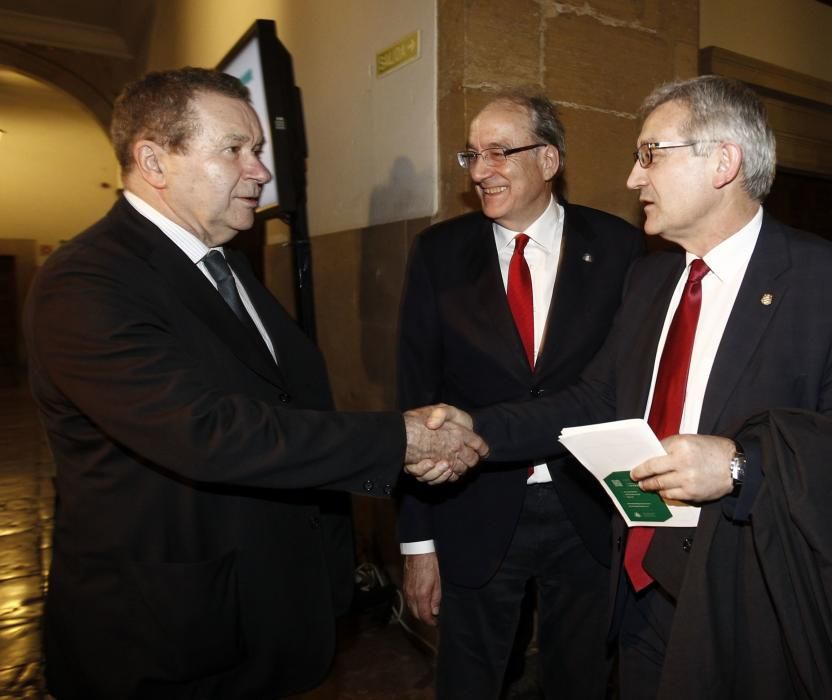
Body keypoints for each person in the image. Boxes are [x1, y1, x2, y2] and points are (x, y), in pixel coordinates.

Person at [431, 75, 832, 698]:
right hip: (640, 595)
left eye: (649, 155)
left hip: (748, 607)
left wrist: (742, 467)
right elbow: (593, 400)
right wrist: (475, 430)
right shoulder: (648, 282)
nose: (635, 179)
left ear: (723, 161)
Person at [24, 67, 486, 699]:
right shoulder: (87, 281)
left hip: (270, 610)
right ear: (153, 161)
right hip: (171, 634)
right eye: (234, 150)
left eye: (259, 151)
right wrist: (401, 441)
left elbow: (283, 401)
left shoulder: (226, 263)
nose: (260, 172)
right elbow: (204, 432)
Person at [396, 90, 643, 699]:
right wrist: (418, 544)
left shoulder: (620, 248)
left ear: (549, 161)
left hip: (589, 505)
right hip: (472, 508)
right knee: (470, 679)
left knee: (580, 679)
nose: (481, 171)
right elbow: (414, 396)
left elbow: (631, 387)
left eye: (500, 152)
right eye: (472, 155)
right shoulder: (439, 253)